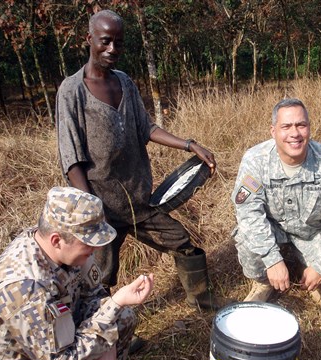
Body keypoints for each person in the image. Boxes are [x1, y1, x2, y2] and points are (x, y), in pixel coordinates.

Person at [55, 9, 227, 310]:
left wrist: (189, 145)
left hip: (139, 201)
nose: (112, 50)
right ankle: (109, 333)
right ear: (89, 39)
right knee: (100, 277)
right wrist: (92, 211)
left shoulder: (124, 82)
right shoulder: (72, 92)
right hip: (102, 207)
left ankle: (203, 301)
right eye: (105, 41)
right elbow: (72, 159)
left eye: (118, 43)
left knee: (181, 241)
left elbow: (146, 127)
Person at [0, 186, 154, 360]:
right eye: (88, 242)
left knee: (123, 317)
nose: (95, 249)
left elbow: (93, 295)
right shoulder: (27, 287)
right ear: (56, 241)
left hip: (63, 336)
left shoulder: (59, 247)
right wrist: (114, 309)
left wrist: (107, 342)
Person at [231, 98, 321, 309]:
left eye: (301, 125)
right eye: (286, 126)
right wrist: (271, 260)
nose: (295, 133)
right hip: (274, 229)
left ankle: (306, 269)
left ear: (309, 128)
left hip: (311, 233)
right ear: (273, 131)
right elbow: (248, 212)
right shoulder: (255, 160)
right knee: (248, 243)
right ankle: (263, 282)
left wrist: (320, 267)